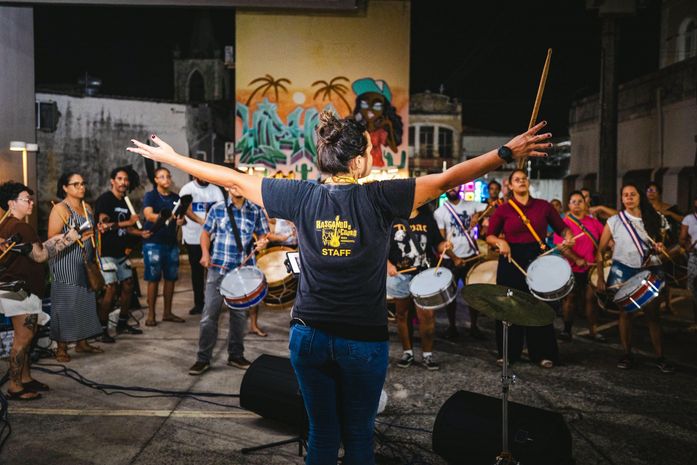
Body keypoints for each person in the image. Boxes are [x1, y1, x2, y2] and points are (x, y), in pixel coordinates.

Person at [128, 113, 552, 465]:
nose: (372, 156)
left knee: (322, 436)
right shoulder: (382, 198)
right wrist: (504, 153)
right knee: (360, 438)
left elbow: (232, 179)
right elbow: (448, 179)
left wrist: (174, 157)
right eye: (368, 150)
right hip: (361, 341)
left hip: (308, 337)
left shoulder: (300, 196)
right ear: (356, 162)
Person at [0, 182, 84, 399]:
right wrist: (68, 240)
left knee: (29, 335)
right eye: (25, 199)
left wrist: (52, 240)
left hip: (16, 288)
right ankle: (15, 386)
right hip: (19, 290)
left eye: (31, 198)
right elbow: (40, 256)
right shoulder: (21, 227)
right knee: (23, 337)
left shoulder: (7, 225)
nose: (31, 202)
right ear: (11, 203)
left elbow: (32, 251)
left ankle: (26, 378)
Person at [486, 169, 574, 368]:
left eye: (524, 179)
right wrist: (501, 242)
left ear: (528, 182)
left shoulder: (543, 206)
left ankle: (543, 354)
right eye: (517, 180)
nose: (521, 182)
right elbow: (490, 235)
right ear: (510, 185)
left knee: (539, 305)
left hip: (538, 257)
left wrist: (568, 237)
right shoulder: (504, 209)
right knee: (509, 306)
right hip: (511, 259)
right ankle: (508, 353)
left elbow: (562, 227)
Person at [188, 186, 269, 375]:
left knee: (239, 316)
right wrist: (205, 253)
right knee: (209, 316)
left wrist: (263, 241)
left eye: (239, 184)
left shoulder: (255, 210)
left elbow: (263, 234)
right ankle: (203, 359)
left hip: (242, 272)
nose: (236, 188)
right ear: (227, 186)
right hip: (218, 269)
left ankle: (235, 355)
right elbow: (205, 233)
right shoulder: (217, 208)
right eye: (232, 185)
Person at [595, 184, 674, 373]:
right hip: (623, 271)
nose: (629, 198)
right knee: (626, 314)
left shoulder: (655, 218)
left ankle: (660, 357)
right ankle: (627, 354)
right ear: (621, 199)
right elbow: (600, 250)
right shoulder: (614, 221)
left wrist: (661, 246)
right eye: (625, 195)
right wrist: (600, 277)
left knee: (653, 315)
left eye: (633, 194)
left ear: (640, 197)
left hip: (650, 269)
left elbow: (667, 242)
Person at [48, 172, 104, 362]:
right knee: (65, 304)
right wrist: (76, 237)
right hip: (65, 262)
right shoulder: (60, 210)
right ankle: (61, 347)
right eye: (75, 184)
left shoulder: (87, 208)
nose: (81, 187)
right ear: (65, 187)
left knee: (85, 302)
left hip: (85, 261)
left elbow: (91, 233)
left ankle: (82, 342)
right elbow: (51, 241)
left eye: (83, 183)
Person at [387, 204, 451, 370]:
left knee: (427, 315)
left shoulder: (427, 218)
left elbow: (437, 242)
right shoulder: (390, 218)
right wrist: (388, 264)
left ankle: (427, 355)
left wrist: (443, 246)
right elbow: (379, 245)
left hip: (424, 274)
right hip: (400, 274)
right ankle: (407, 352)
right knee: (402, 315)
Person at [94, 167, 148, 342]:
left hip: (121, 252)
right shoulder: (105, 200)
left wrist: (141, 233)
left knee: (128, 286)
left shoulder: (125, 201)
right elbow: (103, 225)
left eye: (126, 180)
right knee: (111, 289)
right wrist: (128, 221)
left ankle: (122, 323)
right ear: (112, 180)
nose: (124, 182)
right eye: (120, 178)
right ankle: (102, 329)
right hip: (106, 253)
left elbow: (128, 228)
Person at [434, 186, 488, 339]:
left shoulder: (471, 205)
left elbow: (493, 210)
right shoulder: (440, 212)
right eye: (449, 186)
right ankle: (452, 327)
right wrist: (454, 257)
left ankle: (474, 326)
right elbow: (442, 240)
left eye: (456, 185)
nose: (452, 188)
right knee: (450, 295)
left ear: (461, 188)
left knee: (473, 293)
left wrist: (478, 215)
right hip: (450, 259)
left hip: (470, 255)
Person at [554, 191, 605, 342]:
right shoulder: (563, 224)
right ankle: (567, 330)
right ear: (568, 205)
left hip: (591, 268)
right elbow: (560, 246)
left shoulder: (594, 222)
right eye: (573, 202)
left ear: (585, 204)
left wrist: (611, 246)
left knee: (591, 299)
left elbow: (604, 240)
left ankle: (593, 330)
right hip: (571, 268)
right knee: (570, 298)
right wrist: (576, 259)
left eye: (580, 201)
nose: (576, 205)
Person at [141, 167, 185, 326]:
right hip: (153, 242)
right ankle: (151, 315)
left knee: (171, 278)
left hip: (171, 243)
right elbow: (148, 215)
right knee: (153, 279)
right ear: (156, 180)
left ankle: (167, 313)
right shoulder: (151, 195)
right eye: (162, 177)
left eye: (168, 176)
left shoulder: (176, 197)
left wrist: (181, 220)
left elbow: (181, 219)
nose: (166, 179)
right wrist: (165, 216)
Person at [178, 176, 224, 315]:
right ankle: (199, 303)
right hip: (193, 238)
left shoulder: (215, 190)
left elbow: (222, 209)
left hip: (213, 237)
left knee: (215, 272)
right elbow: (184, 208)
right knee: (197, 273)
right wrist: (201, 221)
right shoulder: (187, 189)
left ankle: (215, 303)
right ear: (194, 175)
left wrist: (212, 225)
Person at [679, 195, 697, 330]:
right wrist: (686, 246)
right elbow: (682, 238)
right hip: (695, 256)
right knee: (695, 289)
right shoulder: (689, 219)